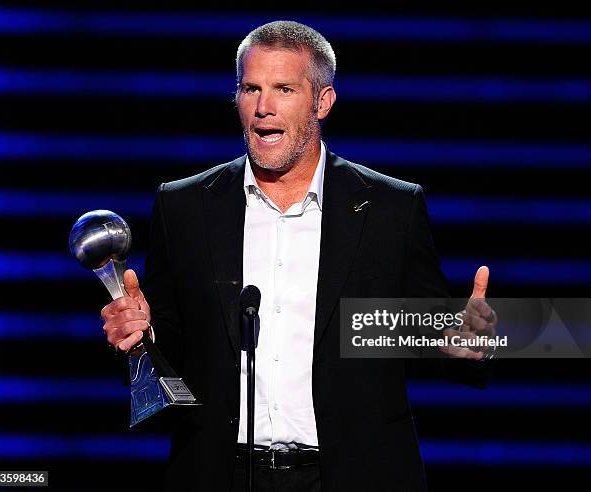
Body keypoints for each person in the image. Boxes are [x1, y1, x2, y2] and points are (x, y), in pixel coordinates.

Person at [100, 21, 496, 492]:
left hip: (354, 478)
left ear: (322, 102)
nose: (263, 108)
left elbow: (421, 337)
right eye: (251, 88)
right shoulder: (184, 207)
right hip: (220, 476)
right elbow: (169, 361)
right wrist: (138, 338)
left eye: (283, 89)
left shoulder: (391, 208)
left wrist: (463, 344)